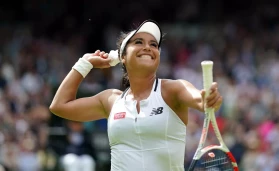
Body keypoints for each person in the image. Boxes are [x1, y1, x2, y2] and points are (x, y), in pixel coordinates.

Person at [49, 19, 222, 171]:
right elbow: (59, 106)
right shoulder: (110, 100)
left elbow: (199, 99)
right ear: (122, 57)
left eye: (154, 44)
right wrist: (84, 63)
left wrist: (208, 99)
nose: (147, 47)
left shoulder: (173, 90)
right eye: (139, 42)